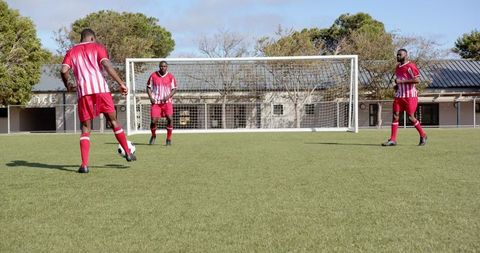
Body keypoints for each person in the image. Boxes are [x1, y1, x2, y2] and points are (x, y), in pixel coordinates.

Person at [60, 28, 136, 173]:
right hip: (101, 90)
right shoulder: (98, 47)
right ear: (93, 38)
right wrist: (121, 83)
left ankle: (84, 165)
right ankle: (128, 152)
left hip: (84, 93)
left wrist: (68, 85)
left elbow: (64, 70)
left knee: (86, 129)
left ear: (82, 38)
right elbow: (106, 65)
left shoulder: (71, 51)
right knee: (113, 122)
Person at [382, 49, 427, 146]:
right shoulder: (397, 67)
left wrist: (401, 82)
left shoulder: (411, 66)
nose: (397, 56)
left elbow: (417, 80)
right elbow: (399, 80)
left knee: (411, 117)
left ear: (405, 55)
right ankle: (393, 140)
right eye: (397, 55)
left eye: (399, 55)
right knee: (395, 116)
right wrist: (397, 86)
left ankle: (423, 135)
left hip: (410, 96)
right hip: (399, 95)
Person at [146, 61, 177, 146]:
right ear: (159, 67)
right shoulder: (153, 75)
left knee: (170, 119)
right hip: (156, 102)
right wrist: (151, 97)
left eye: (164, 66)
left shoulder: (171, 76)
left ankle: (168, 139)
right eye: (161, 66)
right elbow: (148, 87)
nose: (162, 68)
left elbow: (174, 89)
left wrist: (168, 96)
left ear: (167, 67)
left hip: (167, 102)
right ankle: (153, 135)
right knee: (153, 121)